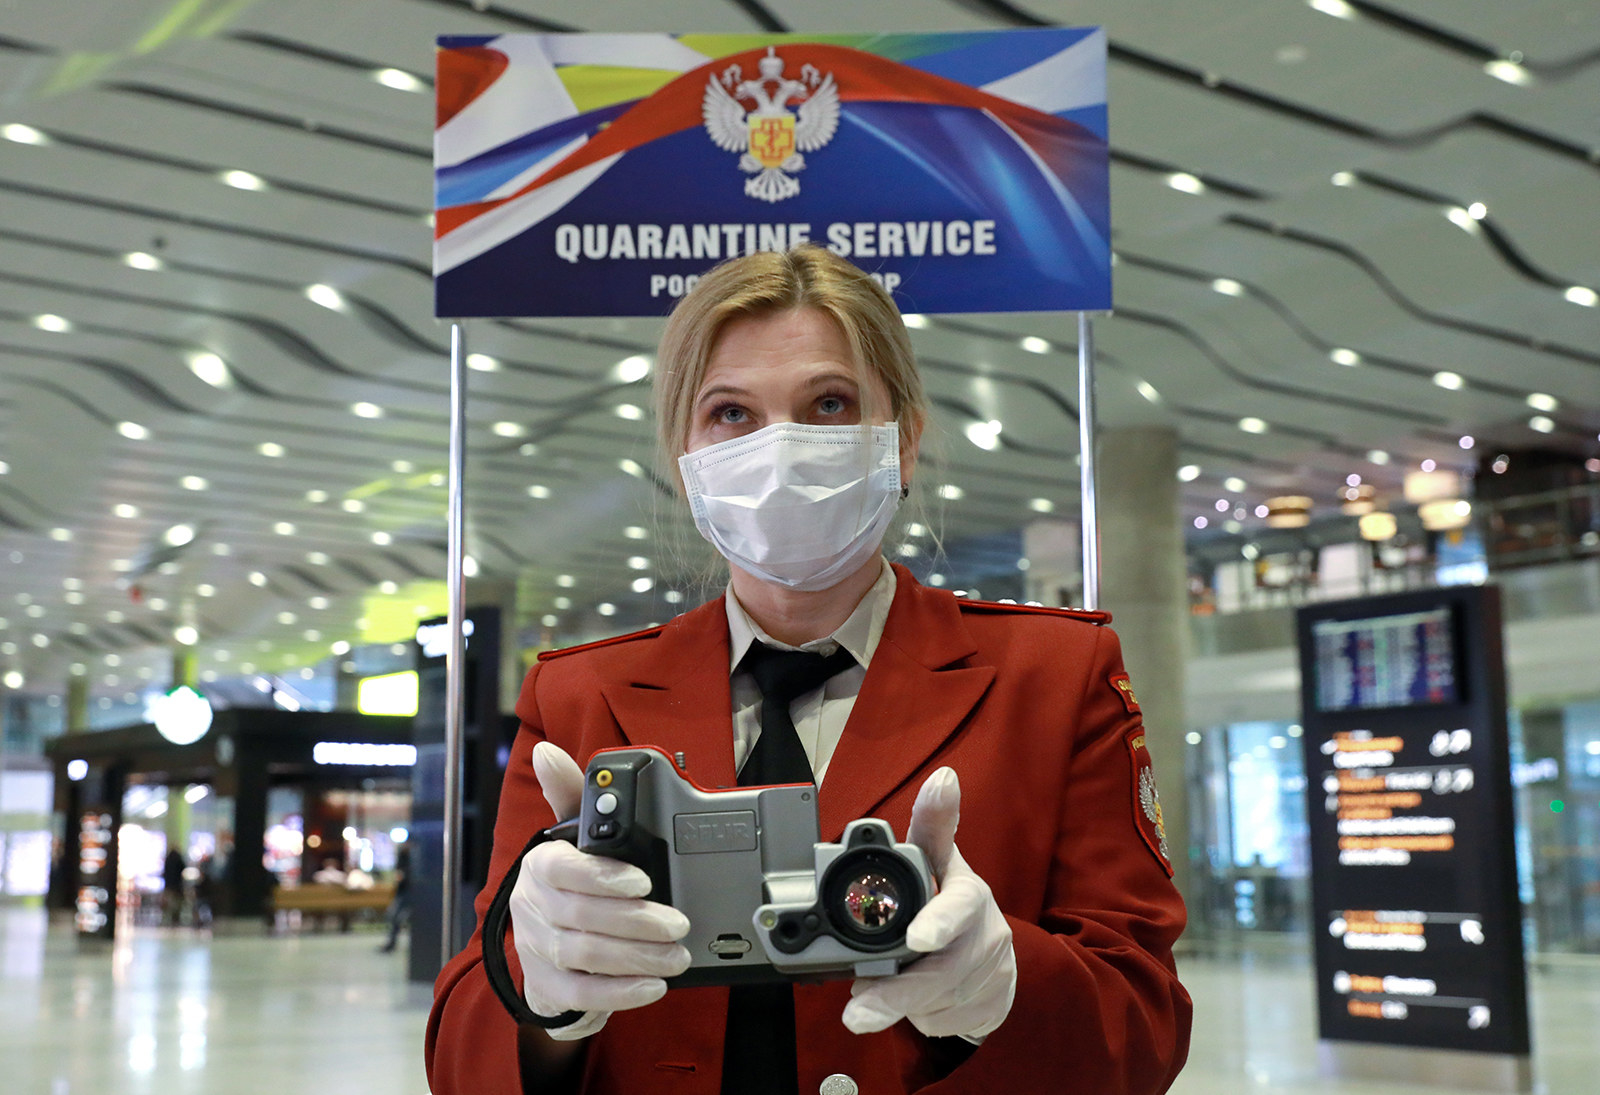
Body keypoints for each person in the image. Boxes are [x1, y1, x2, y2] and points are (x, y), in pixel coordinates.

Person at [427, 246, 1191, 1094]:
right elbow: (461, 1061)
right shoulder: (578, 697)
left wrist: (1006, 985)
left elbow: (1146, 1030)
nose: (781, 450)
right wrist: (541, 992)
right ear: (684, 463)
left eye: (829, 403)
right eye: (731, 414)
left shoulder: (1055, 675)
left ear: (902, 442)